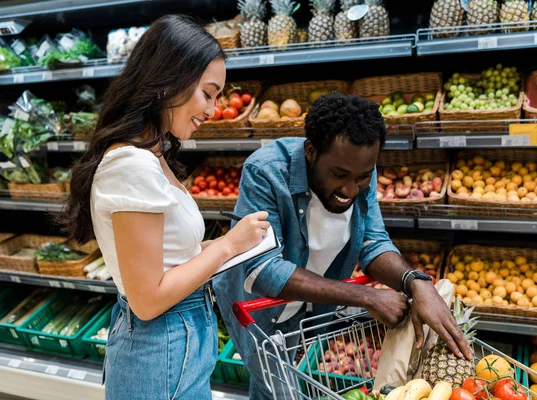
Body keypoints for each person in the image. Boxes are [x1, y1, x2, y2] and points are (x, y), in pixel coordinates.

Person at [61, 15, 270, 400]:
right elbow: (148, 300)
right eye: (208, 93)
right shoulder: (132, 164)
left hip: (174, 342)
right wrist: (226, 245)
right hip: (163, 349)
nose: (213, 108)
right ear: (170, 82)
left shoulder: (150, 155)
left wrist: (237, 244)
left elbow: (170, 260)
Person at [213, 92, 473, 399]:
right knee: (279, 389)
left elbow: (372, 242)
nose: (351, 189)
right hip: (256, 308)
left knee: (273, 382)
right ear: (311, 151)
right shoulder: (266, 172)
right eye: (339, 175)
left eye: (363, 177)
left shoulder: (360, 169)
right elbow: (264, 270)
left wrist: (416, 282)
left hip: (309, 303)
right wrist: (366, 296)